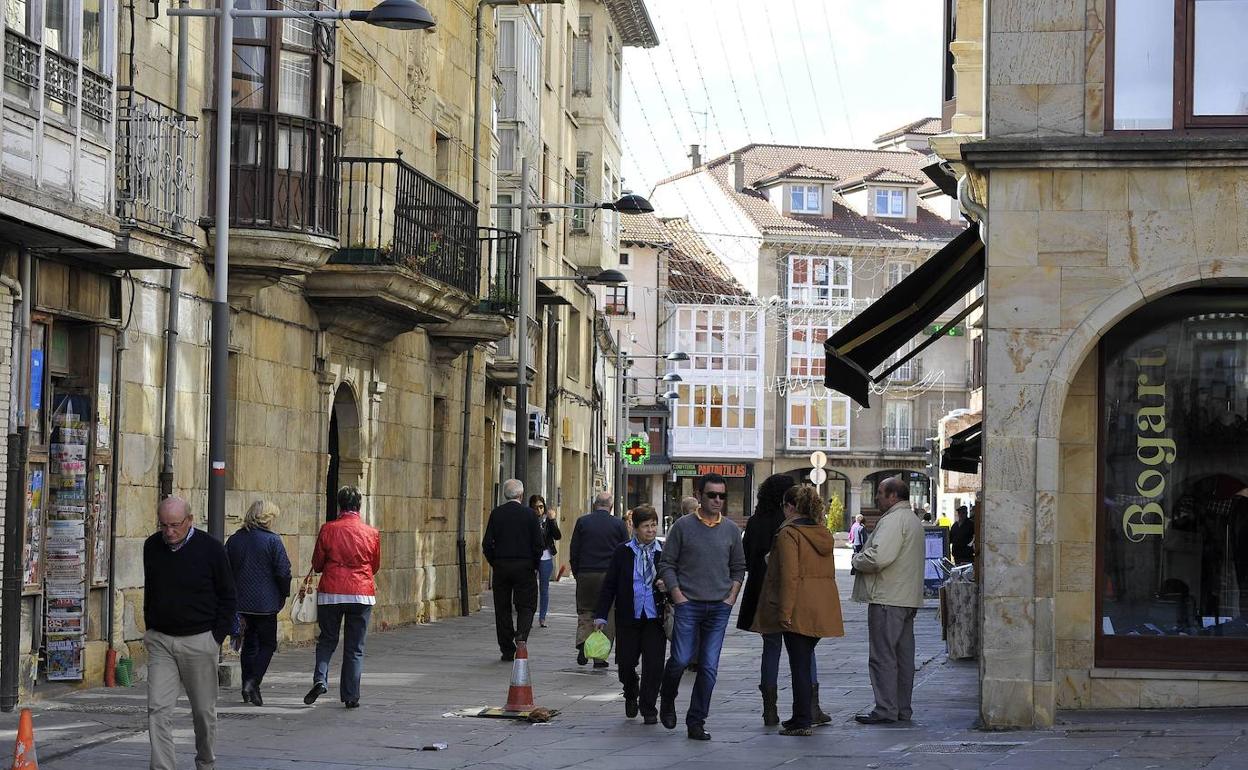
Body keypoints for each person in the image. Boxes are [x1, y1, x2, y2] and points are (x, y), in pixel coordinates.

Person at [144, 496, 236, 770]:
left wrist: (215, 638)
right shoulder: (152, 546)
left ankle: (205, 762)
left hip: (199, 639)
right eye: (163, 526)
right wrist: (150, 626)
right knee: (157, 709)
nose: (169, 532)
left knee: (203, 713)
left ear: (189, 521)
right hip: (161, 640)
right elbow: (151, 587)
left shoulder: (211, 549)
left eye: (175, 525)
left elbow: (228, 595)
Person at [658, 473, 746, 741]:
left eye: (722, 496)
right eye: (712, 495)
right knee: (681, 659)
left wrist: (731, 597)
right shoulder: (683, 527)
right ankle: (668, 696)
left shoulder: (731, 530)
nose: (718, 500)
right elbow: (666, 563)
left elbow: (739, 567)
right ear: (699, 496)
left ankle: (696, 721)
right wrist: (677, 594)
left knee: (708, 667)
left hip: (719, 607)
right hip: (688, 604)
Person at [752, 484, 845, 736]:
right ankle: (801, 715)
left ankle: (802, 719)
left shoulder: (788, 533)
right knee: (803, 662)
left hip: (798, 606)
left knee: (800, 665)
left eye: (784, 506)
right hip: (820, 605)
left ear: (791, 507)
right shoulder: (822, 532)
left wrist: (785, 612)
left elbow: (789, 576)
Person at [851, 476, 925, 725]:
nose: (876, 498)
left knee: (883, 656)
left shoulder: (894, 520)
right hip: (906, 598)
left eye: (880, 493)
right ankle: (902, 708)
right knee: (903, 658)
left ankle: (885, 708)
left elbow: (879, 557)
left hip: (887, 597)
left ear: (893, 496)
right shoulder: (912, 519)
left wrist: (856, 560)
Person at [304, 486, 381, 709]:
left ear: (339, 505)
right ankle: (351, 695)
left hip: (331, 592)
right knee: (355, 647)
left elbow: (317, 564)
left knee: (327, 639)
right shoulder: (371, 533)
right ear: (359, 506)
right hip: (361, 594)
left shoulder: (328, 529)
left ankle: (320, 678)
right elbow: (374, 566)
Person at [739, 473, 804, 727]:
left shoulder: (755, 522)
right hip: (791, 593)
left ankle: (769, 708)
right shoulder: (792, 522)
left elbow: (744, 558)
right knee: (802, 649)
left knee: (771, 648)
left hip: (763, 594)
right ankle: (810, 704)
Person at [594, 504, 668, 724]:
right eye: (646, 526)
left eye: (654, 525)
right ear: (635, 528)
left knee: (654, 666)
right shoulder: (623, 551)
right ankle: (630, 691)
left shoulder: (663, 553)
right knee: (626, 663)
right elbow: (610, 585)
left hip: (655, 618)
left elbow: (677, 577)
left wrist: (668, 584)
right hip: (628, 617)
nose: (651, 530)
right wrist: (601, 615)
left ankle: (648, 708)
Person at [225, 500, 292, 707]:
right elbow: (283, 571)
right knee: (268, 644)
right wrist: (283, 593)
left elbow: (225, 569)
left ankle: (249, 688)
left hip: (241, 602)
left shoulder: (235, 539)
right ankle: (253, 682)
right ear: (268, 518)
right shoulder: (273, 541)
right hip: (265, 603)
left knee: (249, 644)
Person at [482, 480, 543, 659]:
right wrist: (534, 565)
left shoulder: (496, 514)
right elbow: (538, 544)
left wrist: (495, 562)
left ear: (504, 495)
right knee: (527, 604)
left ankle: (507, 648)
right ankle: (522, 634)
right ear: (521, 495)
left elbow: (487, 544)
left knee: (502, 607)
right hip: (525, 566)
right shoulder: (530, 515)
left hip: (502, 565)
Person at [569, 490, 629, 667]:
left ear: (595, 505)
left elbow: (574, 550)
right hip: (608, 576)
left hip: (586, 573)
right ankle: (600, 657)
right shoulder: (618, 525)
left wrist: (578, 572)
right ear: (610, 507)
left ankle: (582, 643)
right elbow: (626, 551)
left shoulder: (582, 522)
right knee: (608, 614)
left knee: (586, 610)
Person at [531, 494, 561, 628]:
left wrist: (553, 520)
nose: (539, 510)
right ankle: (529, 616)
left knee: (544, 589)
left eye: (541, 507)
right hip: (532, 558)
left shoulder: (548, 520)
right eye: (536, 507)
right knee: (530, 589)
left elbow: (557, 536)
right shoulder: (529, 519)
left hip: (546, 557)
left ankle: (542, 618)